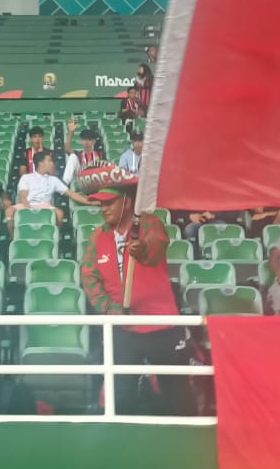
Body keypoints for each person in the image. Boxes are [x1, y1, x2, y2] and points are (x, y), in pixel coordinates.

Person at [77, 163, 193, 416]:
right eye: (100, 204)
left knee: (178, 397)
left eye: (109, 202)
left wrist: (141, 250)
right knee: (121, 396)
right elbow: (89, 277)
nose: (103, 208)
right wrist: (108, 308)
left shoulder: (150, 224)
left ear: (127, 202)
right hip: (123, 328)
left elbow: (155, 249)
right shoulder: (97, 237)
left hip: (161, 326)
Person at [10, 150, 93, 231]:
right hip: (27, 204)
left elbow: (71, 194)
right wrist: (30, 210)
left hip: (44, 206)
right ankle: (14, 236)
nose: (53, 164)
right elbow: (23, 197)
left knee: (59, 213)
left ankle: (54, 235)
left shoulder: (54, 180)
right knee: (9, 211)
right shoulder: (26, 177)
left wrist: (90, 202)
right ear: (41, 163)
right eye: (49, 161)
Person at [61, 120, 100, 185]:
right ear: (81, 141)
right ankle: (64, 184)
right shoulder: (78, 154)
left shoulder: (99, 154)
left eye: (89, 140)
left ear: (94, 141)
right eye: (84, 139)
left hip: (94, 178)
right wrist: (71, 132)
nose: (86, 142)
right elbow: (67, 149)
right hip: (80, 178)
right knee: (72, 156)